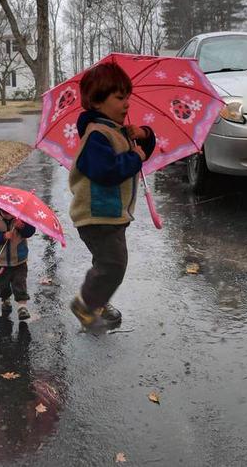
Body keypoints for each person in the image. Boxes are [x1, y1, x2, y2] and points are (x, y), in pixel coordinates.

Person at [67, 62, 156, 328]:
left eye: (127, 97)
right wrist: (134, 157)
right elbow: (106, 172)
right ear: (96, 101)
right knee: (114, 265)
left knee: (105, 263)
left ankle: (98, 300)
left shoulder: (115, 131)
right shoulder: (97, 136)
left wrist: (143, 135)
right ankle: (85, 304)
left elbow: (143, 153)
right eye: (119, 98)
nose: (126, 103)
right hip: (97, 216)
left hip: (111, 214)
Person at [0, 206, 36, 320]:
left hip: (19, 260)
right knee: (2, 286)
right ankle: (5, 299)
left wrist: (22, 227)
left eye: (11, 213)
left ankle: (22, 306)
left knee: (20, 282)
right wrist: (2, 236)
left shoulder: (21, 218)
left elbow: (30, 232)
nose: (9, 215)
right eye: (6, 213)